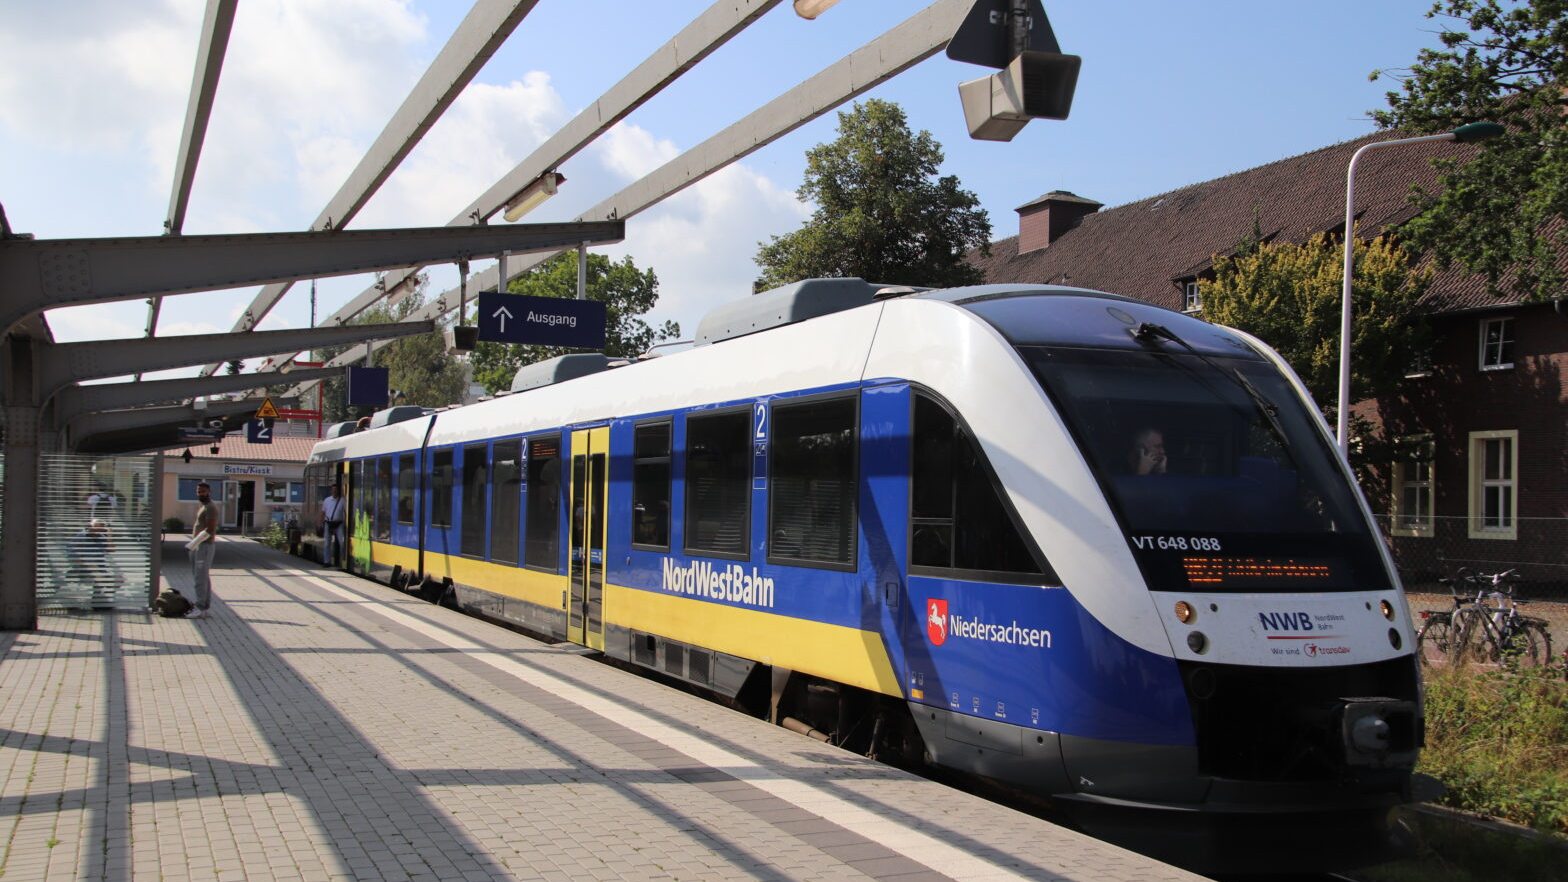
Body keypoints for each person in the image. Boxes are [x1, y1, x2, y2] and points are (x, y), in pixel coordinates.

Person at [188, 481, 220, 619]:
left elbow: (210, 528)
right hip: (199, 545)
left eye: (203, 492)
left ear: (209, 492)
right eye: (198, 492)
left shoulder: (211, 508)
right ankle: (205, 607)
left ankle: (200, 607)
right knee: (202, 576)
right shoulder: (204, 506)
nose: (200, 494)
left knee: (199, 577)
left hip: (204, 545)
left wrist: (196, 541)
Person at [67, 519, 119, 590]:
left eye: (101, 530)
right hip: (85, 566)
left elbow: (111, 550)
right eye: (96, 529)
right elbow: (72, 554)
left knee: (117, 580)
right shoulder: (80, 537)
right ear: (90, 527)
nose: (97, 532)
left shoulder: (101, 537)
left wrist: (109, 536)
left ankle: (101, 595)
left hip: (100, 566)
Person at [322, 483, 346, 567]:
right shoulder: (327, 500)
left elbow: (345, 512)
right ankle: (326, 561)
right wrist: (320, 522)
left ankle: (342, 561)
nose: (334, 492)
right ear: (331, 491)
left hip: (338, 523)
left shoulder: (343, 501)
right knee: (327, 543)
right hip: (328, 523)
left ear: (338, 491)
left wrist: (345, 523)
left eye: (336, 490)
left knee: (342, 542)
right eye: (333, 490)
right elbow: (323, 512)